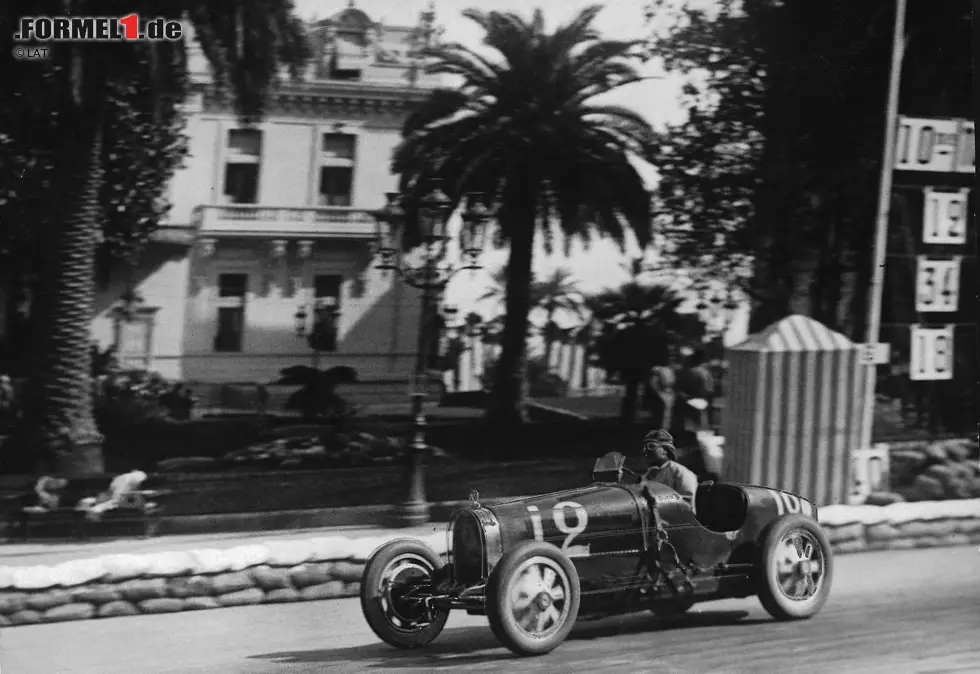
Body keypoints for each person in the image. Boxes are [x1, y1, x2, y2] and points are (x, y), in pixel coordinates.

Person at [642, 429, 698, 503]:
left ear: (665, 450)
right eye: (645, 447)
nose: (645, 450)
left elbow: (686, 502)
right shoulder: (646, 476)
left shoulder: (681, 473)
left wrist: (656, 499)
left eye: (651, 446)